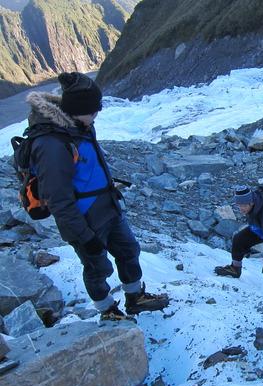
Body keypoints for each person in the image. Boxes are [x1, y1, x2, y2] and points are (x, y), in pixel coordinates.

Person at [27, 72, 169, 321]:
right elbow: (58, 200)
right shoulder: (52, 144)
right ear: (75, 109)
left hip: (107, 207)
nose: (96, 117)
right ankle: (107, 310)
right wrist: (84, 236)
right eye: (92, 112)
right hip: (85, 217)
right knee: (97, 266)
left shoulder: (80, 126)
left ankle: (135, 298)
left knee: (129, 250)